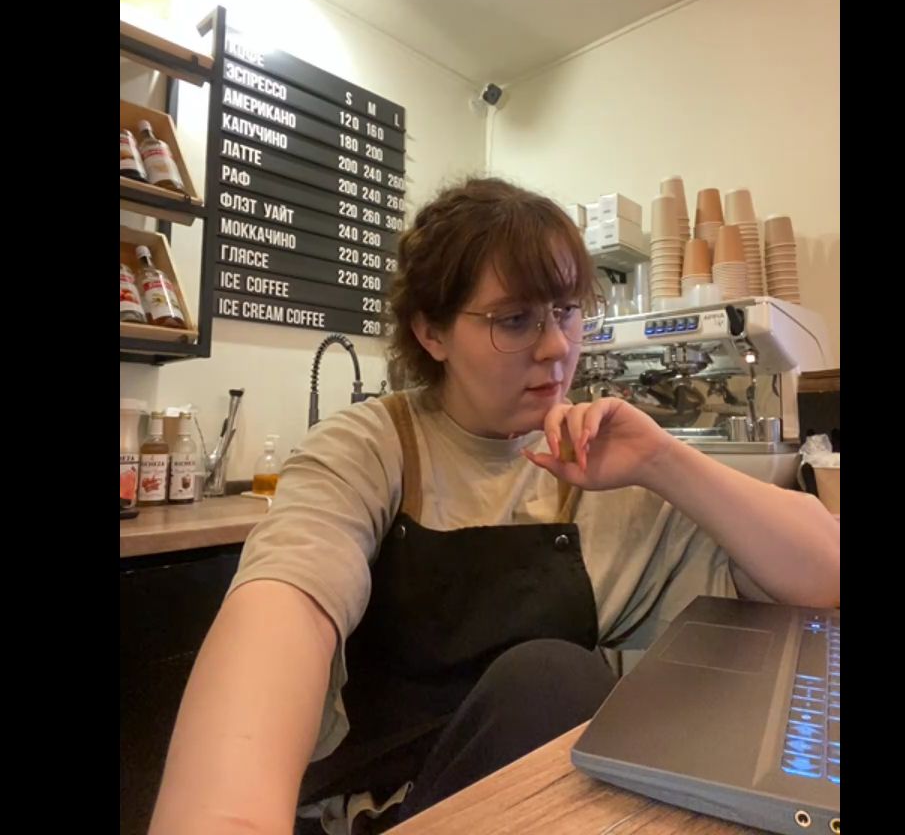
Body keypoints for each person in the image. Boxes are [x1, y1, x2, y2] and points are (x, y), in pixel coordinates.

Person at [149, 178, 840, 835]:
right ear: (432, 332)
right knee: (550, 680)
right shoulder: (371, 448)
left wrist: (662, 459)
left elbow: (824, 574)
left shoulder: (596, 467)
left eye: (566, 311)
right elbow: (284, 606)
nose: (557, 347)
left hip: (541, 807)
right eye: (514, 320)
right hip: (385, 809)